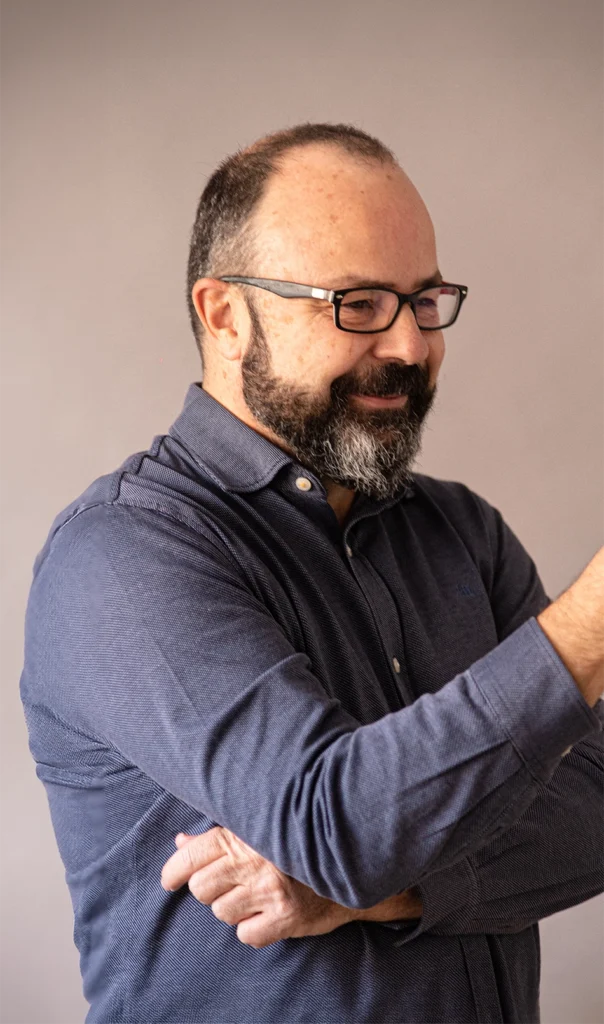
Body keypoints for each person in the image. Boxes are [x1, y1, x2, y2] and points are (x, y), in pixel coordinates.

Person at [19, 122, 604, 1024]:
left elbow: (596, 804)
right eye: (358, 303)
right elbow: (333, 823)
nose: (410, 346)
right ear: (223, 314)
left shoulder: (461, 531)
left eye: (425, 299)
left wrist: (383, 894)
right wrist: (592, 622)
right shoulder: (123, 555)